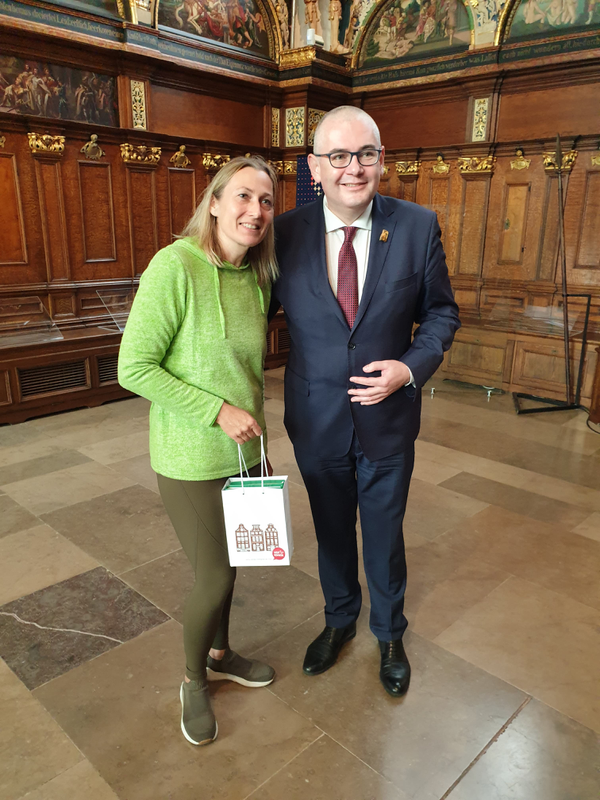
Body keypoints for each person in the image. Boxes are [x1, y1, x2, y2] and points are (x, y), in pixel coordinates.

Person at [271, 106, 460, 698]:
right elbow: (246, 313)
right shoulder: (283, 234)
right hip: (316, 417)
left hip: (389, 418)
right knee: (330, 530)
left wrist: (410, 367)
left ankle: (389, 633)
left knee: (383, 532)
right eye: (338, 156)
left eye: (365, 155)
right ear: (314, 168)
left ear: (382, 160)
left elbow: (441, 314)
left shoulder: (417, 226)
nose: (353, 168)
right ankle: (338, 620)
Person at [118, 156, 279, 745]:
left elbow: (246, 377)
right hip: (189, 458)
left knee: (233, 567)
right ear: (213, 203)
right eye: (243, 196)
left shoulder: (257, 277)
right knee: (214, 576)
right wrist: (217, 411)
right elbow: (134, 367)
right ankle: (193, 681)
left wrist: (260, 446)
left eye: (266, 201)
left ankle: (220, 653)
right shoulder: (175, 266)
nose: (255, 211)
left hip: (243, 454)